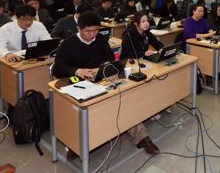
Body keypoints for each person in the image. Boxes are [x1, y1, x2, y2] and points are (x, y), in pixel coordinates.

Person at [52, 12, 159, 160]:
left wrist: (108, 63)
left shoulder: (100, 39)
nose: (92, 34)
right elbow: (57, 69)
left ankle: (141, 137)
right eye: (88, 31)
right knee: (80, 112)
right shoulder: (68, 44)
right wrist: (77, 70)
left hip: (98, 79)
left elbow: (109, 54)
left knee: (123, 99)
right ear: (79, 29)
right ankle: (75, 145)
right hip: (77, 83)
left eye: (95, 30)